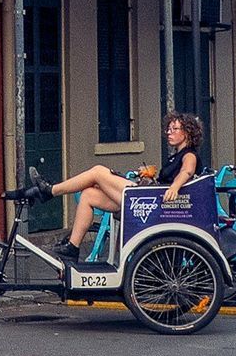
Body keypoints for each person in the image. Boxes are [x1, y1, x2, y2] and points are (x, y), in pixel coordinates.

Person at [44, 110, 204, 261]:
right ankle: (73, 247)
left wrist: (175, 187)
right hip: (150, 198)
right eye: (168, 129)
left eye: (175, 129)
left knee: (98, 172)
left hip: (151, 202)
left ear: (188, 133)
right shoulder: (175, 156)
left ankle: (50, 190)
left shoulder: (189, 155)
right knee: (88, 195)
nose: (169, 132)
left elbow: (187, 172)